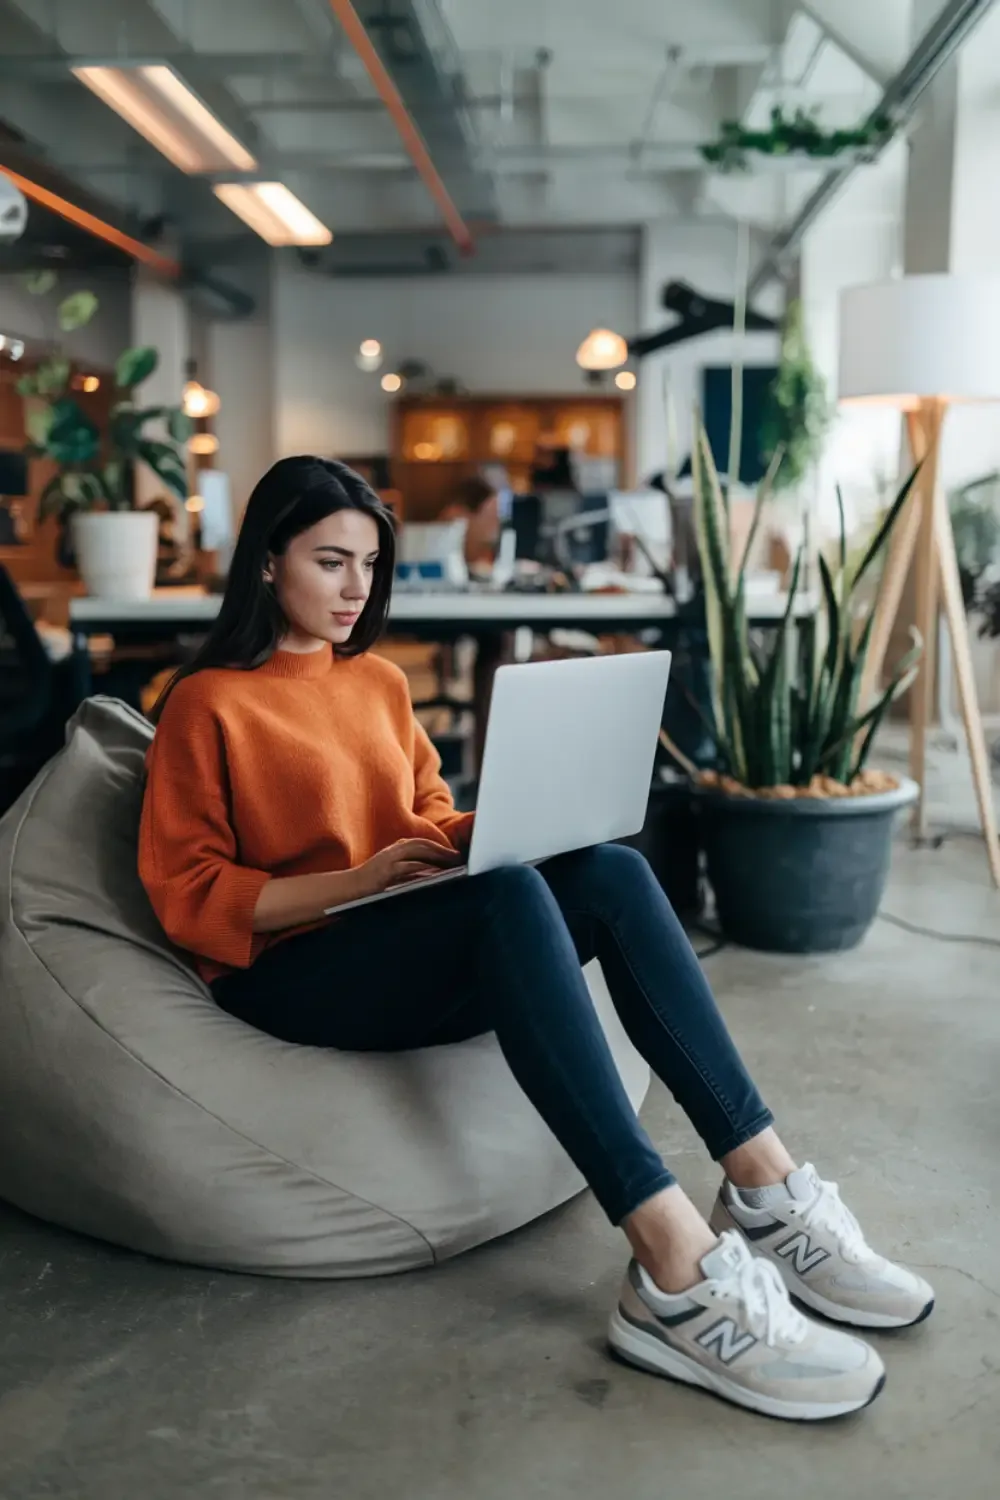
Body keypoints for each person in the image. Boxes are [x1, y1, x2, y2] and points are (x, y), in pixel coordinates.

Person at [139, 456, 933, 1424]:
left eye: (371, 567)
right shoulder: (205, 702)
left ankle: (767, 1190)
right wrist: (357, 879)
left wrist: (523, 820)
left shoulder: (379, 683)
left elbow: (427, 813)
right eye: (331, 562)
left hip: (393, 929)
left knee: (611, 873)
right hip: (289, 967)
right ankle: (671, 1266)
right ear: (265, 562)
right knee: (510, 901)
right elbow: (188, 893)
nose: (358, 590)